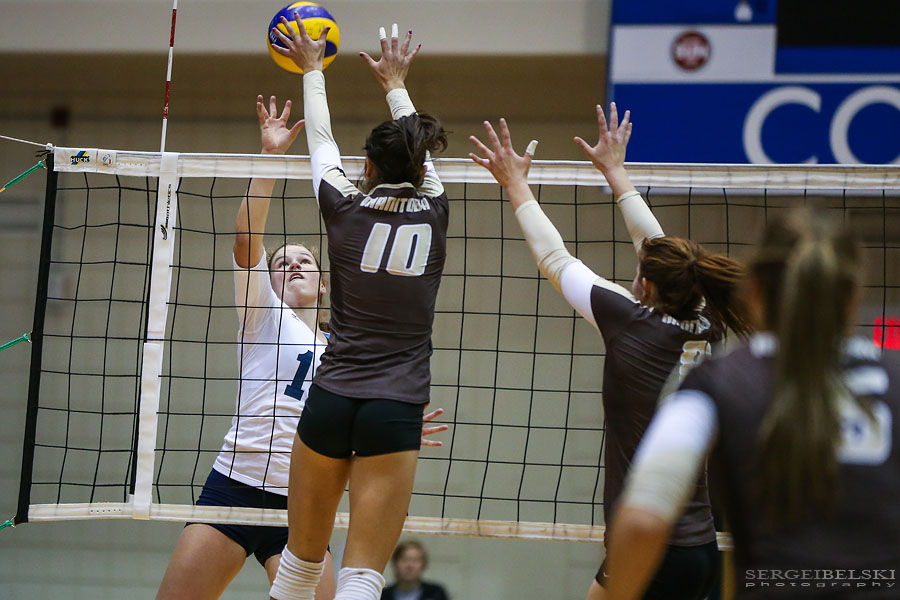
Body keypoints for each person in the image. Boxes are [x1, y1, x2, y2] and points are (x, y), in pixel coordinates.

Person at [156, 91, 447, 600]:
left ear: (327, 283)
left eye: (306, 261)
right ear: (265, 282)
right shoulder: (261, 315)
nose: (293, 265)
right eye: (282, 262)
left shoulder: (348, 350)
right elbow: (247, 241)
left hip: (302, 502)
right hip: (234, 486)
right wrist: (270, 158)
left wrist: (391, 415)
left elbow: (357, 409)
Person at [468, 106, 751, 600]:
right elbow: (661, 251)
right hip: (700, 544)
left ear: (645, 286)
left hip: (650, 545)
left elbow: (555, 258)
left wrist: (515, 184)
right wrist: (617, 173)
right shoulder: (709, 316)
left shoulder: (631, 320)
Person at [605, 211, 900, 599]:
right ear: (852, 297)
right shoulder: (894, 375)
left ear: (755, 291)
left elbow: (643, 520)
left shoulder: (717, 382)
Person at [267, 18, 450, 600]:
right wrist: (397, 84)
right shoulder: (437, 209)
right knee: (363, 576)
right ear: (421, 167)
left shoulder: (344, 208)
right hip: (395, 406)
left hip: (332, 396)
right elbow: (415, 160)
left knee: (299, 564)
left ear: (365, 169)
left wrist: (313, 70)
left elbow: (320, 141)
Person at [381, 540, 450, 600]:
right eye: (405, 559)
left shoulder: (436, 593)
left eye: (415, 560)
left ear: (423, 564)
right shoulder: (382, 595)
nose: (410, 565)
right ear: (395, 563)